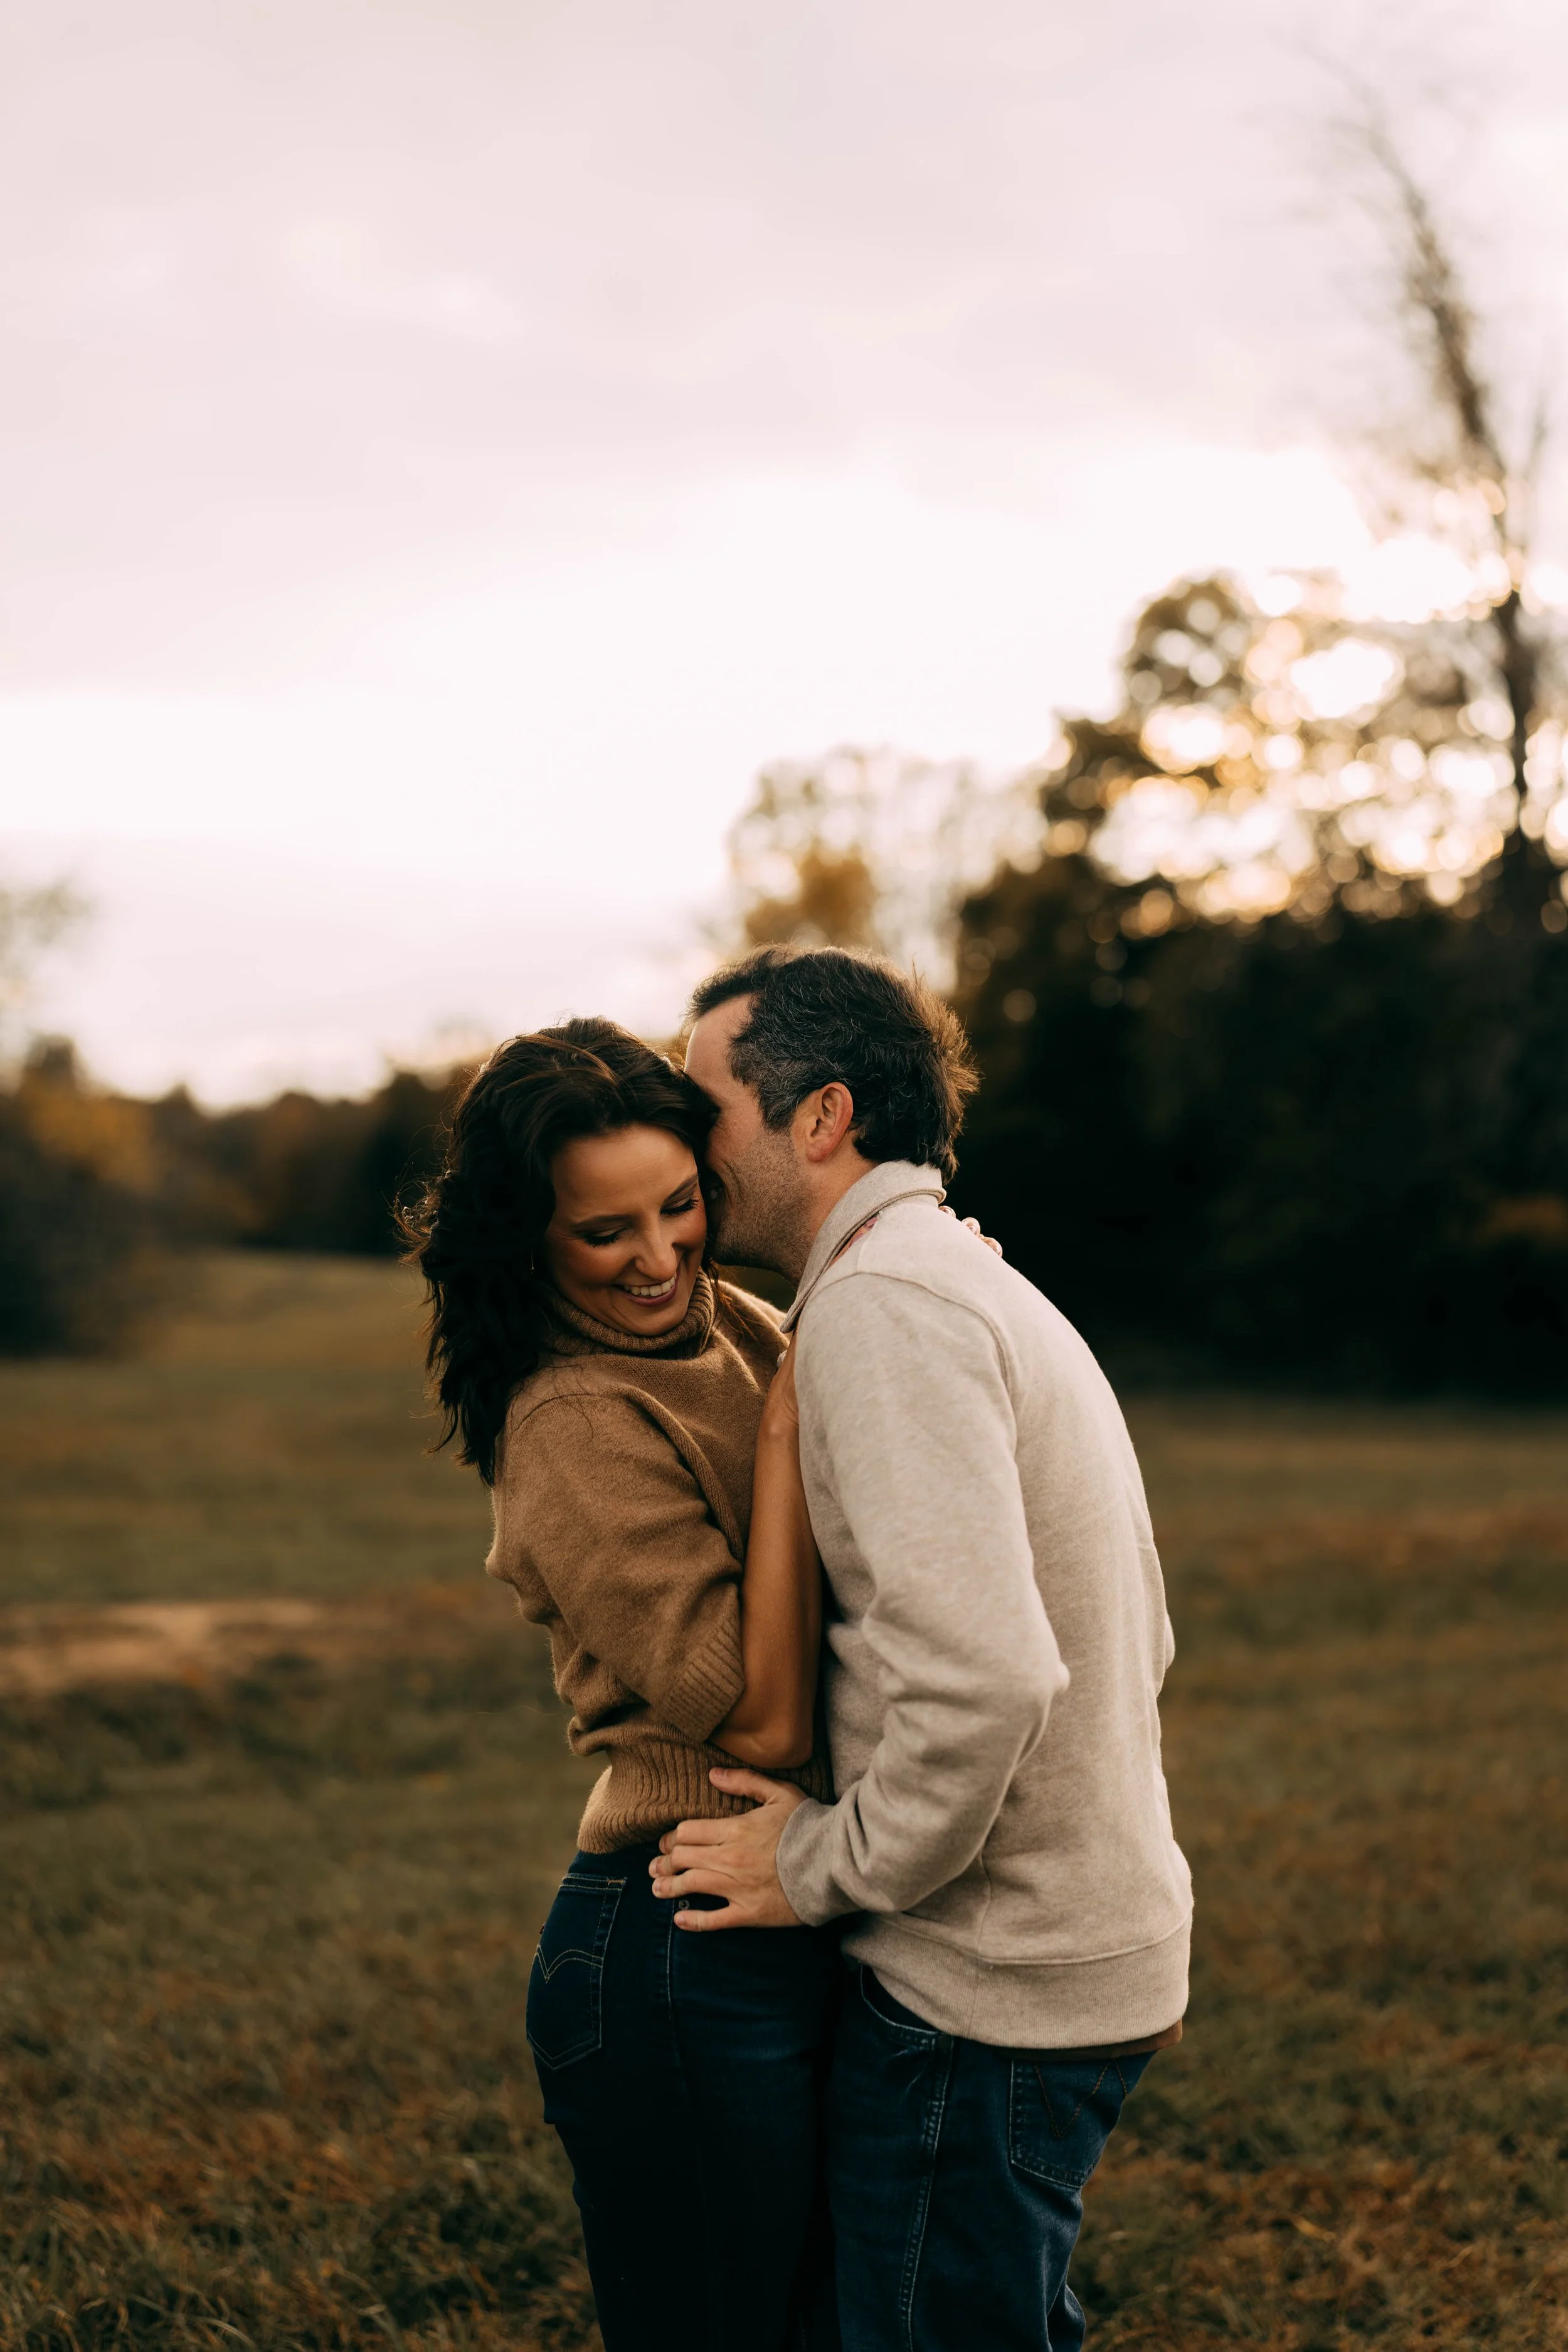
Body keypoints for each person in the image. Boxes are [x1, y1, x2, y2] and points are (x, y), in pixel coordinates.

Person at [651, 945, 1194, 2352]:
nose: (678, 1142)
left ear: (817, 1116)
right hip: (1048, 1967)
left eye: (701, 1102)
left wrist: (814, 1865)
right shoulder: (942, 1276)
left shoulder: (889, 1308)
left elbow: (992, 1677)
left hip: (985, 1997)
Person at [403, 1019, 840, 2352]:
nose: (658, 1259)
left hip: (795, 1890)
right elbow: (756, 1718)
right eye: (605, 1234)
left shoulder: (728, 1321)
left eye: (678, 1205)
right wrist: (785, 1433)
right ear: (529, 1237)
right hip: (670, 1945)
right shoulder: (571, 1421)